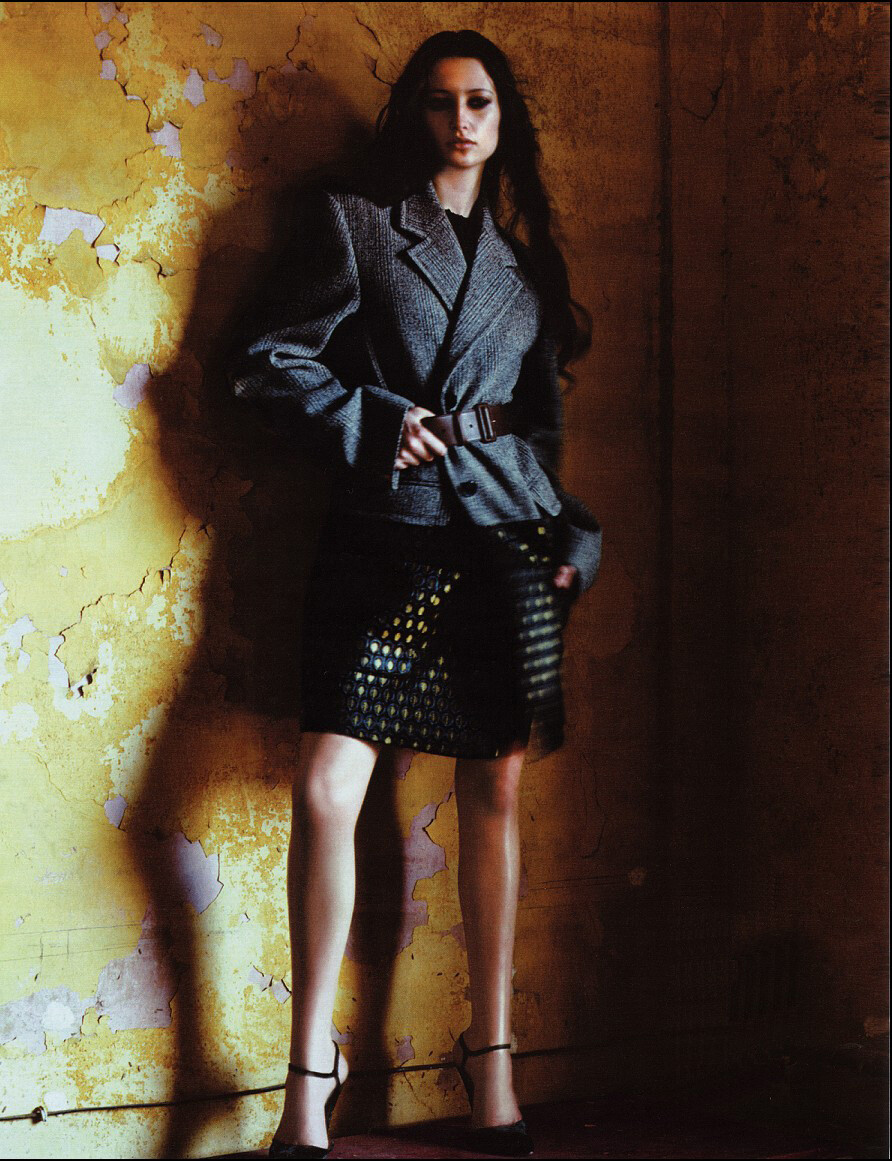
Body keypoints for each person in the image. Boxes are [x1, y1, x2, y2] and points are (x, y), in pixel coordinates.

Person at [229, 29, 602, 1159]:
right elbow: (267, 361)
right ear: (416, 114)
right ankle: (310, 1073)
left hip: (502, 540)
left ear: (504, 119)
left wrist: (574, 540)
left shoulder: (527, 270)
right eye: (441, 102)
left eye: (480, 101)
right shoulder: (355, 223)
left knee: (495, 794)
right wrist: (376, 422)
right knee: (325, 786)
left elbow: (540, 429)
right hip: (382, 538)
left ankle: (491, 1062)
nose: (461, 121)